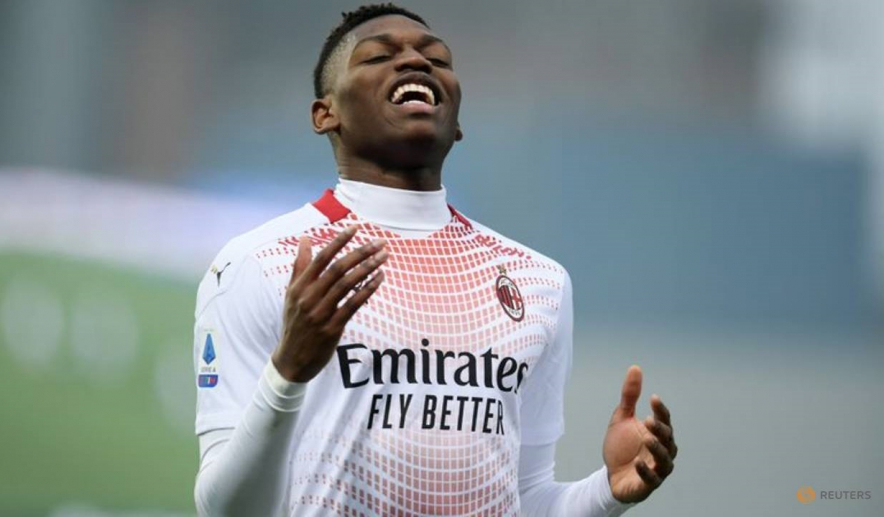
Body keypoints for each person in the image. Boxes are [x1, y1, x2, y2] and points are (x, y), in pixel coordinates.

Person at [192, 4, 677, 516]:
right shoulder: (260, 264)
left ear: (457, 121)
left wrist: (607, 491)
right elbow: (224, 510)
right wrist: (287, 372)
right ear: (325, 113)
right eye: (378, 56)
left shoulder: (539, 282)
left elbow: (527, 498)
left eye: (437, 59)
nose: (415, 62)